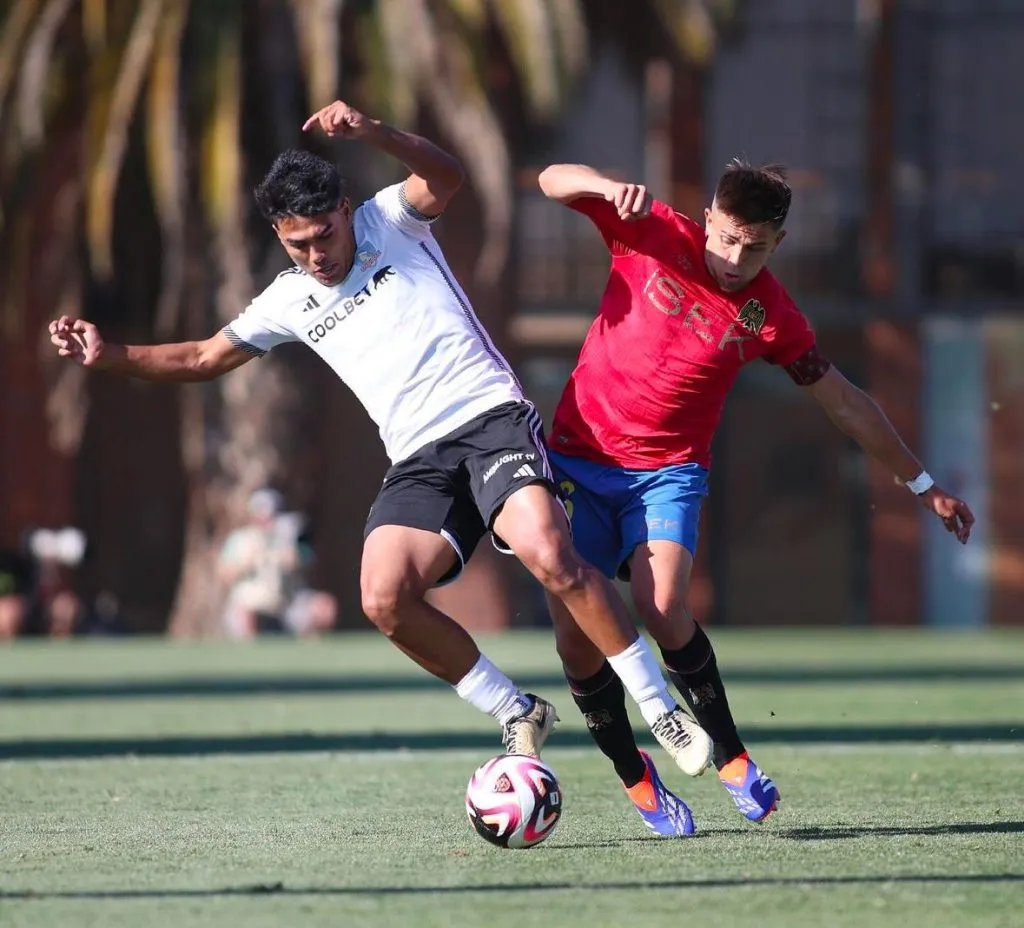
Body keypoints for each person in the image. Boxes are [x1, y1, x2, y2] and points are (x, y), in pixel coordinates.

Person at [48, 100, 709, 787]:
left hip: (488, 419)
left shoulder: (389, 221)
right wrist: (110, 352)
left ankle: (660, 708)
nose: (317, 254)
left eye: (325, 234)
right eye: (297, 243)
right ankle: (516, 710)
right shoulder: (285, 299)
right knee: (383, 596)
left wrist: (373, 133)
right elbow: (200, 358)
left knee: (550, 554)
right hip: (419, 459)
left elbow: (447, 175)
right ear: (279, 235)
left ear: (345, 207)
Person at [537, 159, 975, 835]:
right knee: (576, 640)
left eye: (756, 247)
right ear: (708, 217)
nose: (737, 258)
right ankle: (636, 777)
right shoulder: (648, 229)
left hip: (668, 474)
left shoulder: (770, 314)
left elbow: (847, 405)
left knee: (661, 605)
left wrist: (923, 484)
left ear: (778, 244)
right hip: (576, 459)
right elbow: (549, 180)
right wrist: (601, 186)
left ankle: (733, 759)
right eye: (728, 238)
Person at [218, 488, 338, 638]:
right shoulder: (239, 540)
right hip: (252, 601)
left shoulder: (289, 537)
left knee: (324, 607)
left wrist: (294, 558)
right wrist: (246, 563)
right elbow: (224, 575)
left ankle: (312, 655)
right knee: (244, 613)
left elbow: (309, 559)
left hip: (286, 602)